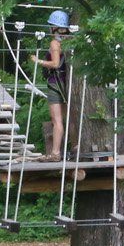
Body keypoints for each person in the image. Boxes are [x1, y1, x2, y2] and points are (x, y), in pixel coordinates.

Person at [31, 10, 72, 159]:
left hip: (55, 85)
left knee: (56, 121)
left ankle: (55, 152)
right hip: (65, 84)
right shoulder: (68, 41)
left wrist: (39, 61)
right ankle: (66, 149)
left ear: (55, 27)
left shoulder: (55, 43)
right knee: (63, 119)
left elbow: (55, 64)